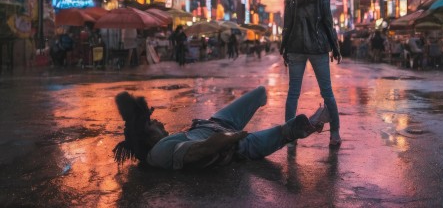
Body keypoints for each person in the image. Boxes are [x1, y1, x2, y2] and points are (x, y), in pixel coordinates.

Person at [113, 86, 331, 170]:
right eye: (152, 124)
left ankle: (304, 125)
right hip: (236, 143)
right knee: (285, 131)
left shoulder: (161, 144)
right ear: (146, 138)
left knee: (260, 93)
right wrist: (232, 138)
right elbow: (199, 151)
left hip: (216, 122)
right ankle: (307, 125)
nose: (158, 122)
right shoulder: (159, 152)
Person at [279, 0, 342, 147]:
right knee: (327, 92)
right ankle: (335, 134)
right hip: (318, 48)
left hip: (295, 48)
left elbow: (287, 27)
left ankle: (289, 137)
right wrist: (336, 48)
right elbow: (328, 25)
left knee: (293, 93)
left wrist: (284, 48)